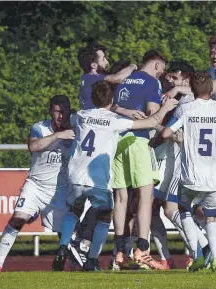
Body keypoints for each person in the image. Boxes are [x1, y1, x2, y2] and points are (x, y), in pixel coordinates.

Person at [52, 80, 178, 271]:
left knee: (74, 211)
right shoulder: (113, 120)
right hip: (97, 180)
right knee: (104, 215)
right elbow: (151, 122)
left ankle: (63, 246)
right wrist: (165, 107)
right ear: (111, 99)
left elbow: (63, 122)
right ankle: (92, 260)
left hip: (75, 176)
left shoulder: (80, 116)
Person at [162, 71, 216, 273]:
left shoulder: (186, 109)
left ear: (192, 89)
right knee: (212, 216)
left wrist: (178, 136)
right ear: (211, 89)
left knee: (184, 211)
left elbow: (166, 133)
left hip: (190, 176)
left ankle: (198, 254)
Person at [0, 95, 75, 272]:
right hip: (36, 186)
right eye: (58, 111)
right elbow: (33, 146)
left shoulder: (76, 129)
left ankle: (74, 267)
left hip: (59, 190)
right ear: (50, 112)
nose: (62, 115)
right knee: (17, 220)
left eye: (66, 110)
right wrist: (59, 135)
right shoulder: (40, 127)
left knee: (65, 234)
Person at [150, 61, 211, 269]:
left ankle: (208, 248)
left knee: (172, 210)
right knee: (153, 208)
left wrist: (153, 123)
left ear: (186, 81)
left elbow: (171, 133)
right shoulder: (191, 99)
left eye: (175, 79)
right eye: (169, 80)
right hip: (172, 159)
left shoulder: (185, 103)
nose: (170, 84)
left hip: (181, 162)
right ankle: (170, 258)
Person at [112, 50, 166, 269]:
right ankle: (142, 249)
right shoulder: (152, 83)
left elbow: (114, 108)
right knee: (146, 196)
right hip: (137, 140)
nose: (162, 74)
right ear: (156, 64)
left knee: (121, 198)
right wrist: (166, 111)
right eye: (162, 69)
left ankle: (119, 253)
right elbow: (151, 118)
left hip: (116, 140)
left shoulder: (122, 80)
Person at [78, 43, 137, 110]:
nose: (107, 62)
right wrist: (133, 66)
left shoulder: (87, 78)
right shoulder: (91, 78)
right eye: (103, 59)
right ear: (93, 65)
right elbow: (118, 78)